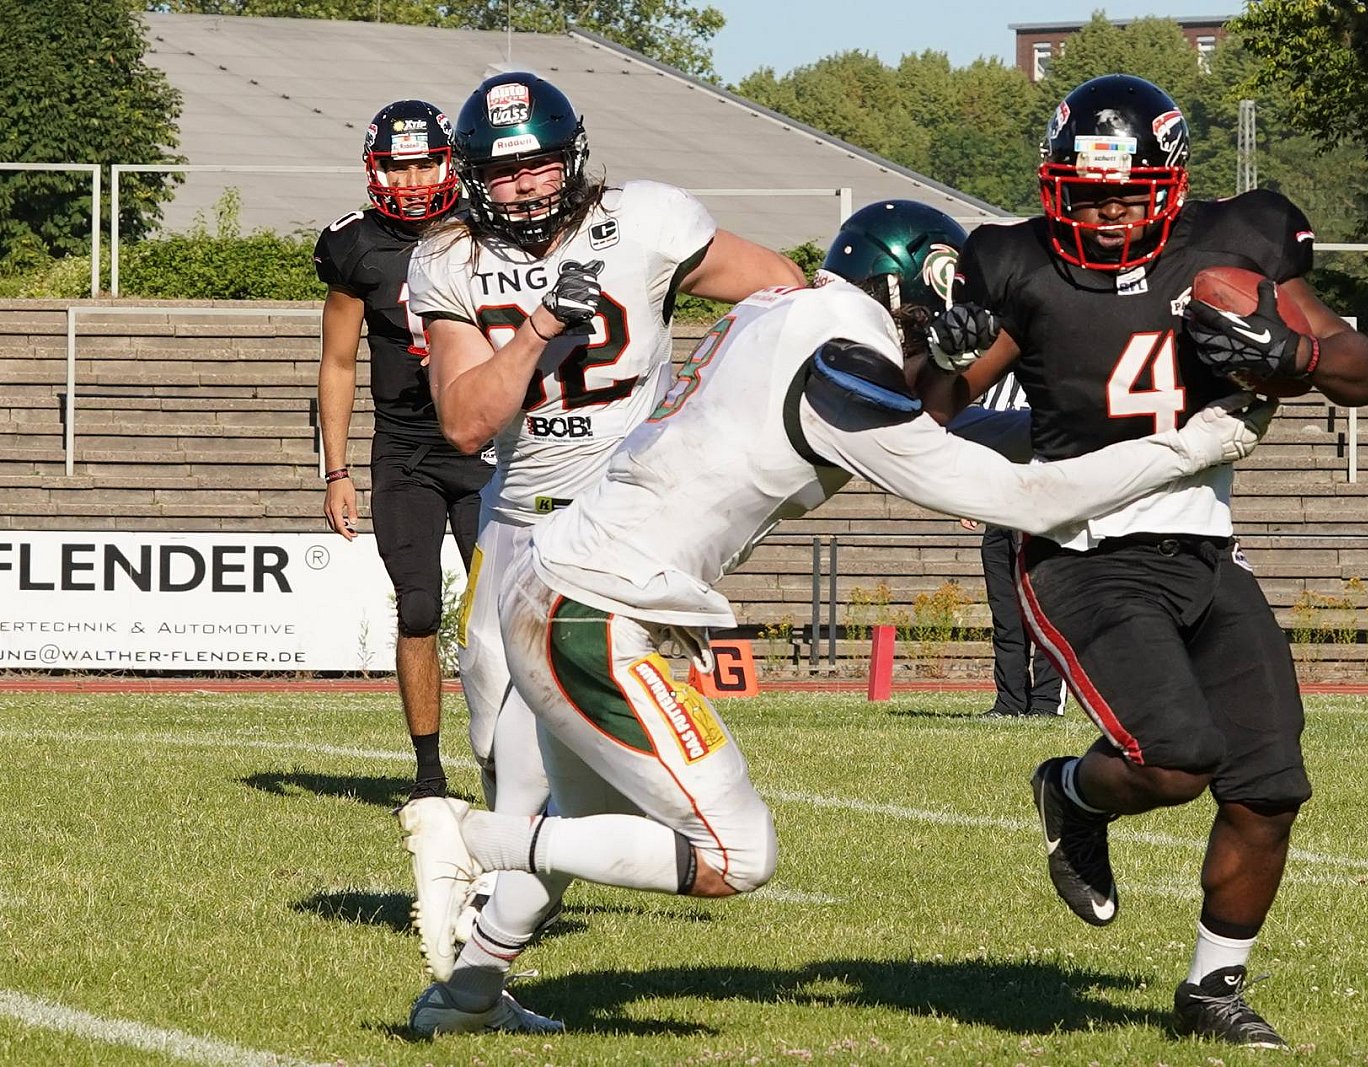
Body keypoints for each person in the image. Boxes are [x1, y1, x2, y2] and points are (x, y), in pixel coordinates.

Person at [396, 197, 1277, 1036]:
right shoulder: (842, 365)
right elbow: (1022, 497)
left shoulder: (788, 311)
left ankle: (464, 996)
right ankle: (468, 836)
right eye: (946, 299)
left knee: (576, 830)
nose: (958, 320)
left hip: (567, 581)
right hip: (592, 611)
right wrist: (1190, 446)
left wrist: (963, 377)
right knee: (735, 854)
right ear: (909, 289)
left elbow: (933, 423)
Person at [918, 74, 1368, 1049]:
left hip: (1204, 544)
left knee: (1269, 786)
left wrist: (1293, 356)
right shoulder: (1016, 261)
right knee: (1173, 757)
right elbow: (933, 407)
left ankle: (1212, 988)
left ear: (1169, 182)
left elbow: (1363, 371)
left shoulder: (1237, 241)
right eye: (1086, 193)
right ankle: (1071, 790)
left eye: (1126, 192)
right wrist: (939, 353)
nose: (1106, 211)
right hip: (1084, 549)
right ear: (1056, 186)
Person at [398, 70, 806, 1034]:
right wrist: (543, 326)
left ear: (573, 156)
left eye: (540, 164)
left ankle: (467, 971)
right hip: (518, 528)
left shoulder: (647, 220)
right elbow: (464, 423)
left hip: (620, 530)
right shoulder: (448, 258)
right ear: (472, 177)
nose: (526, 186)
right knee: (510, 766)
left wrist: (704, 386)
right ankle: (469, 981)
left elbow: (784, 288)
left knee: (548, 791)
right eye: (504, 172)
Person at [314, 99, 490, 801]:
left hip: (483, 443)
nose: (413, 182)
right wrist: (336, 470)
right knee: (417, 607)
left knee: (499, 608)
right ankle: (429, 775)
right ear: (375, 171)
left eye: (424, 165)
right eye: (399, 167)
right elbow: (337, 362)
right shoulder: (357, 244)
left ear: (450, 163)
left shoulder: (488, 230)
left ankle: (514, 758)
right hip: (406, 449)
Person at [967, 373, 1062, 718]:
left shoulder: (1051, 375)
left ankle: (1046, 703)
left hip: (1042, 512)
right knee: (1006, 615)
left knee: (1047, 613)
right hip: (1000, 510)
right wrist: (972, 498)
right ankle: (1010, 701)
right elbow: (982, 446)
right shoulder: (994, 380)